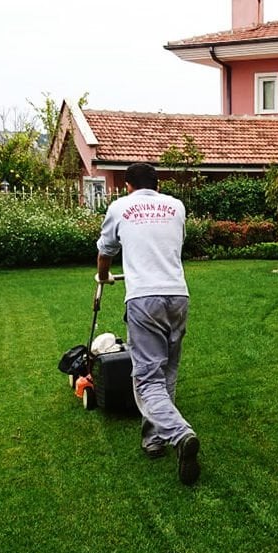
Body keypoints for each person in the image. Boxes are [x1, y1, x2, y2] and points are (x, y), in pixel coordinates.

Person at [96, 162, 200, 485]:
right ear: (158, 185)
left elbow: (105, 251)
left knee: (146, 381)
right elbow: (172, 244)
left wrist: (102, 276)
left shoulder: (120, 207)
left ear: (127, 186)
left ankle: (180, 434)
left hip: (144, 299)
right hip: (178, 296)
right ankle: (154, 439)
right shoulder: (176, 207)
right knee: (166, 370)